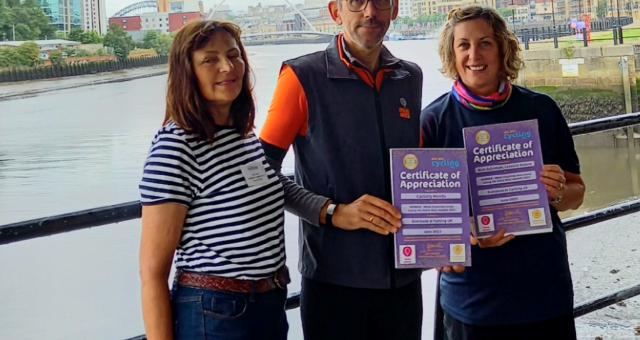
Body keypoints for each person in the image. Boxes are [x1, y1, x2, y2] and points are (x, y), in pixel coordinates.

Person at [260, 0, 424, 339]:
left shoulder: (410, 76)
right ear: (336, 12)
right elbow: (261, 173)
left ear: (394, 9)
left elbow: (418, 169)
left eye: (380, 2)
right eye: (356, 2)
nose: (369, 12)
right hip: (333, 281)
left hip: (404, 278)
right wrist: (332, 212)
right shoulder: (301, 76)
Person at [421, 6, 586, 340]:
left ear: (502, 48)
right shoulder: (433, 121)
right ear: (452, 55)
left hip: (544, 293)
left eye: (485, 43)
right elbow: (426, 224)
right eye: (463, 45)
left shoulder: (541, 109)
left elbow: (576, 193)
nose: (474, 54)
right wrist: (460, 233)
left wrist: (556, 191)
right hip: (472, 301)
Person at [138, 20, 300, 340]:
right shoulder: (176, 146)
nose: (228, 67)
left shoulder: (241, 136)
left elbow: (270, 189)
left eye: (234, 55)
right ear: (188, 73)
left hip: (268, 303)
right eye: (210, 60)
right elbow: (152, 273)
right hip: (216, 312)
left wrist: (333, 211)